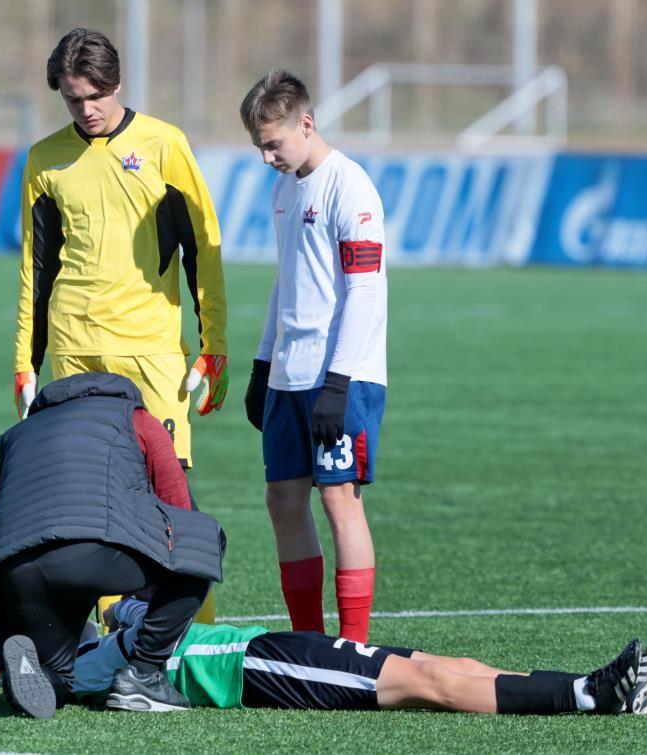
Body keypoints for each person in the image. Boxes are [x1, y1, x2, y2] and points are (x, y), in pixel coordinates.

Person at [13, 26, 228, 624]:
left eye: (95, 96)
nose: (86, 109)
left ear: (118, 84)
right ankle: (112, 631)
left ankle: (190, 631)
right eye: (72, 99)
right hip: (74, 350)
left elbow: (203, 250)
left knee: (170, 494)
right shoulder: (44, 159)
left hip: (150, 351)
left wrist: (214, 343)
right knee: (90, 499)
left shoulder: (164, 145)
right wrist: (25, 362)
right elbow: (36, 267)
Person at [0, 372, 226, 719]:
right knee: (202, 539)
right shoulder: (137, 418)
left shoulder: (18, 434)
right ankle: (144, 674)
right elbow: (179, 510)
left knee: (61, 676)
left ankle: (40, 678)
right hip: (93, 554)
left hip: (17, 572)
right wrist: (147, 599)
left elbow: (1, 524)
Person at [238, 70, 388, 643]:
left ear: (306, 123)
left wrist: (339, 382)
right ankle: (309, 644)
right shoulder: (284, 188)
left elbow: (365, 290)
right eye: (259, 147)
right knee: (282, 499)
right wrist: (262, 364)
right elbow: (287, 281)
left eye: (273, 143)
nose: (267, 157)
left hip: (341, 376)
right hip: (289, 373)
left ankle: (353, 648)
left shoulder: (350, 186)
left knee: (338, 499)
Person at [75, 598, 647, 717]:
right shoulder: (84, 669)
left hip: (264, 647)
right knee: (430, 681)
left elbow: (135, 612)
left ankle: (595, 683)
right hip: (251, 668)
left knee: (449, 662)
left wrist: (122, 609)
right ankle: (592, 696)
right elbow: (93, 671)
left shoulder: (100, 639)